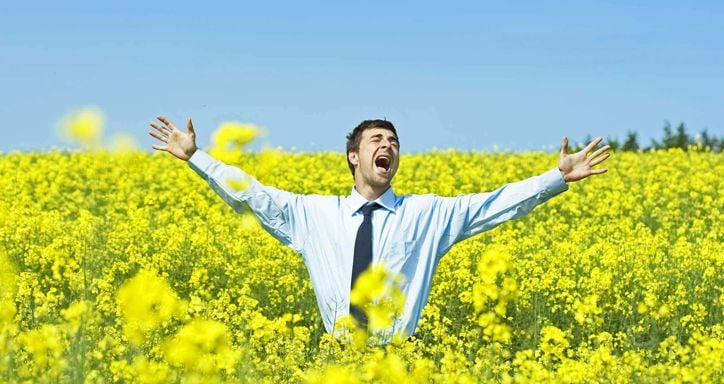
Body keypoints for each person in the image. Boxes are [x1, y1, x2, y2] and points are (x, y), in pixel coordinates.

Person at [148, 116, 610, 342]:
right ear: (354, 156)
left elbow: (492, 205)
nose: (387, 146)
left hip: (400, 363)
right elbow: (252, 194)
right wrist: (196, 157)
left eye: (394, 142)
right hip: (337, 364)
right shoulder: (315, 215)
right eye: (376, 141)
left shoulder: (426, 215)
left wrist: (556, 179)